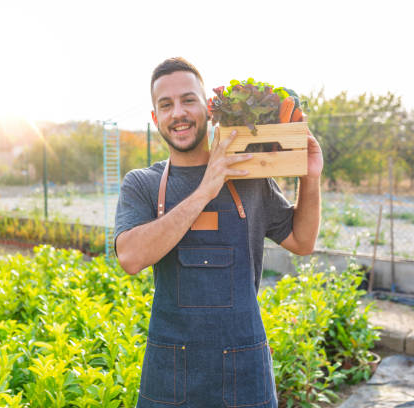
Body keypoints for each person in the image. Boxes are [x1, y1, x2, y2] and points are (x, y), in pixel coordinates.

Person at [114, 57, 323, 408]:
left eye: (188, 100)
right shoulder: (143, 184)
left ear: (209, 109)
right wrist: (205, 189)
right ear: (155, 119)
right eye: (166, 105)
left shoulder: (250, 177)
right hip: (170, 374)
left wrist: (310, 177)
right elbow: (131, 257)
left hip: (245, 371)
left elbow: (303, 242)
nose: (177, 112)